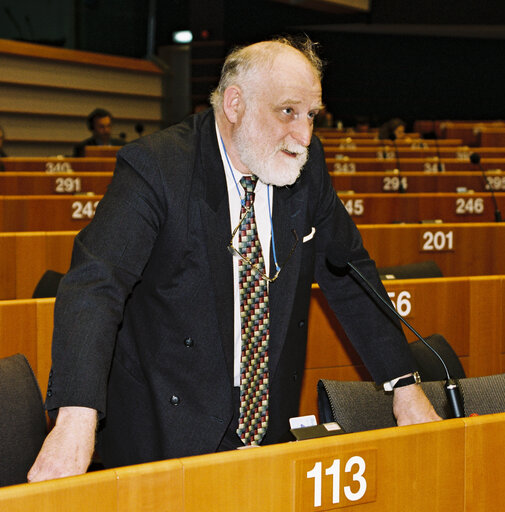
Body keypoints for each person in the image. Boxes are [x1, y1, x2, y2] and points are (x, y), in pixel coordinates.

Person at [28, 36, 440, 482]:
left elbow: (349, 270)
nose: (303, 135)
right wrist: (75, 418)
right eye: (288, 112)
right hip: (164, 423)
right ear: (235, 103)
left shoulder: (305, 165)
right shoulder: (158, 167)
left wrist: (404, 385)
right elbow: (96, 284)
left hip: (266, 422)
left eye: (311, 116)